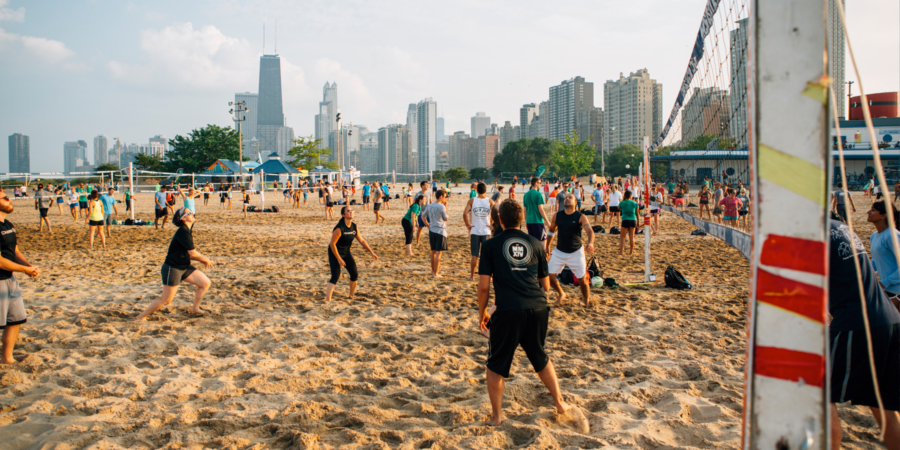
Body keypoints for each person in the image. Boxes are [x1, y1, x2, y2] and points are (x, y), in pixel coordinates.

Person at [477, 199, 584, 428]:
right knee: (539, 356)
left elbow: (484, 287)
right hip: (538, 308)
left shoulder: (490, 246)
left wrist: (483, 312)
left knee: (495, 366)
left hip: (508, 311)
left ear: (500, 220)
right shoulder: (535, 243)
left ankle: (497, 417)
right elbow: (545, 286)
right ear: (522, 219)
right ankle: (560, 404)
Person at [827, 219, 900, 449]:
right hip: (890, 319)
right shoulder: (839, 227)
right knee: (883, 404)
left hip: (856, 323)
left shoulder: (805, 235)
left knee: (818, 397)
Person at [136, 208, 213, 321]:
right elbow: (193, 254)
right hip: (172, 268)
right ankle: (140, 317)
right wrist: (205, 259)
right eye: (189, 213)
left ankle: (195, 309)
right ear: (183, 218)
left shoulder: (187, 230)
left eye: (191, 212)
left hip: (184, 266)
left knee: (205, 283)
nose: (192, 213)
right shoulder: (183, 231)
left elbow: (191, 253)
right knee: (166, 300)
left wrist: (203, 259)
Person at [0, 189, 39, 364]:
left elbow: (14, 251)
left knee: (15, 319)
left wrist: (28, 265)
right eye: (5, 198)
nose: (10, 200)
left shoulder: (8, 224)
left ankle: (7, 358)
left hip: (10, 279)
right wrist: (24, 270)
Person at [547, 193, 595, 306]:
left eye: (570, 198)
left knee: (582, 280)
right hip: (559, 252)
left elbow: (590, 231)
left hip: (576, 252)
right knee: (549, 276)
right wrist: (547, 246)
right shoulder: (557, 216)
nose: (567, 199)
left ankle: (587, 301)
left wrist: (590, 243)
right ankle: (561, 293)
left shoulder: (580, 216)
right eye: (566, 198)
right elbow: (551, 231)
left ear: (575, 202)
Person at [325, 206, 379, 302]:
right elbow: (332, 244)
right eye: (348, 211)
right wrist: (338, 259)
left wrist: (371, 252)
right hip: (335, 252)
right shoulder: (339, 228)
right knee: (335, 275)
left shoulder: (354, 227)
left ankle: (351, 295)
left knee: (354, 274)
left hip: (346, 252)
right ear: (343, 215)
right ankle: (328, 300)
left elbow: (361, 240)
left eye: (351, 210)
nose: (351, 212)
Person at [868, 200, 900, 310]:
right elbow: (875, 262)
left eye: (873, 210)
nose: (868, 212)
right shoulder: (874, 236)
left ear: (883, 216)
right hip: (886, 289)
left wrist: (883, 283)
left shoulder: (892, 236)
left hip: (896, 291)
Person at [463, 182, 493, 280]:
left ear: (476, 190)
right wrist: (492, 225)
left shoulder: (472, 200)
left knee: (474, 255)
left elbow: (464, 214)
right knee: (487, 256)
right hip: (486, 230)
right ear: (485, 190)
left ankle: (472, 276)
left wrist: (468, 225)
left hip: (475, 230)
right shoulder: (490, 201)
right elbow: (498, 213)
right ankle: (488, 276)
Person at [424, 189, 449, 278]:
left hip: (432, 230)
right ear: (441, 197)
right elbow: (445, 218)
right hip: (440, 231)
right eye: (445, 196)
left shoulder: (430, 205)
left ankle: (432, 270)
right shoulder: (441, 206)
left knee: (433, 252)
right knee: (438, 253)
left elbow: (423, 216)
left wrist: (427, 225)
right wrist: (446, 207)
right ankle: (436, 273)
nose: (446, 198)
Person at [523, 177, 551, 253]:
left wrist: (526, 222)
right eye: (539, 182)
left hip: (529, 221)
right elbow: (541, 210)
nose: (541, 184)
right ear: (536, 183)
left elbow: (524, 211)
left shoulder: (526, 195)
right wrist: (547, 221)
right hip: (537, 221)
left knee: (532, 242)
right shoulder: (538, 194)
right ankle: (542, 258)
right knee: (543, 240)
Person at [618, 191, 639, 255]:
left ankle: (621, 251)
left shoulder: (622, 202)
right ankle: (631, 251)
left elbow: (618, 207)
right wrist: (638, 221)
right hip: (633, 219)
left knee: (622, 237)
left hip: (625, 220)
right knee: (632, 237)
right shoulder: (634, 203)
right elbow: (637, 213)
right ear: (630, 196)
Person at [414, 181, 433, 246]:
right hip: (420, 214)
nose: (427, 186)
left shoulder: (429, 193)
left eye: (428, 185)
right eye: (426, 185)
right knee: (420, 228)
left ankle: (432, 242)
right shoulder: (418, 194)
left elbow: (430, 202)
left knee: (430, 228)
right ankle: (417, 242)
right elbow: (414, 203)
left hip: (428, 214)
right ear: (422, 186)